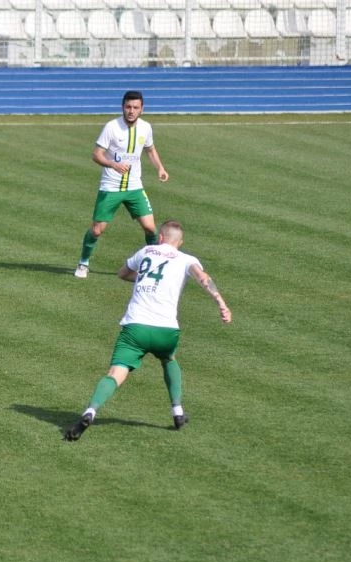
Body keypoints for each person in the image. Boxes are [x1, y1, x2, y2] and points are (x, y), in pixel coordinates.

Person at [64, 220, 232, 441]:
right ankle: (178, 412)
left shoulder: (146, 250)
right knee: (169, 358)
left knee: (116, 373)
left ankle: (90, 411)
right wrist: (221, 302)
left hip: (135, 328)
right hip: (166, 331)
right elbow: (203, 278)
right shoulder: (186, 260)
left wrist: (142, 278)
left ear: (160, 237)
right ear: (179, 243)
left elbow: (123, 273)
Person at [74, 90, 169, 279]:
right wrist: (112, 164)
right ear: (122, 107)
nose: (131, 111)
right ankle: (83, 263)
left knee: (150, 228)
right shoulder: (111, 127)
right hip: (111, 187)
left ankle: (151, 265)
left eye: (135, 107)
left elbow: (150, 149)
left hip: (135, 187)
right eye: (128, 107)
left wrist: (160, 168)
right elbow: (96, 154)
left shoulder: (146, 128)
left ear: (142, 109)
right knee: (97, 229)